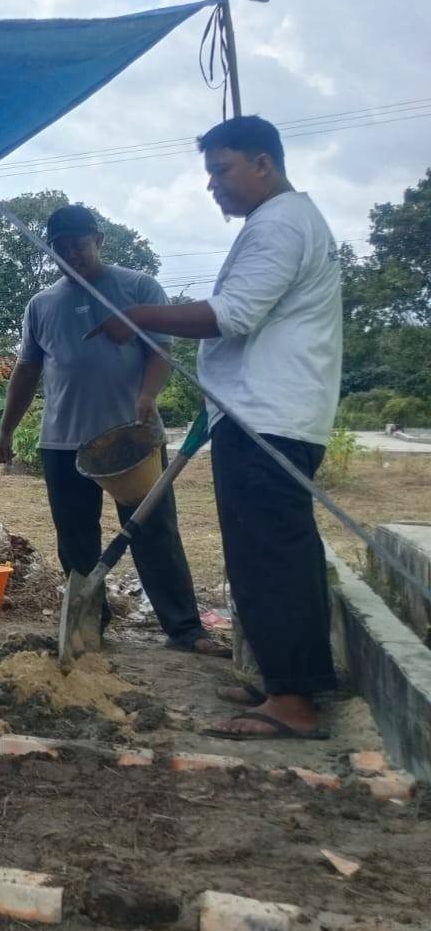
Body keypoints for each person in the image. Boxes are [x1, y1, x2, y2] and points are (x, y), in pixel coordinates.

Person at [90, 115, 342, 740]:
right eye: (209, 174)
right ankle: (288, 680)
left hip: (268, 419)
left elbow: (233, 315)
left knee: (268, 554)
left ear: (263, 162)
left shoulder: (281, 224)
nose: (213, 187)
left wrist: (138, 313)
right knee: (275, 551)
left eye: (221, 171)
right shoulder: (279, 222)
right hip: (260, 412)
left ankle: (293, 702)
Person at [0, 204, 225, 657]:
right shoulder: (41, 305)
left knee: (154, 532)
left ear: (98, 239)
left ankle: (184, 629)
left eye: (77, 245)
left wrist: (147, 395)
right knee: (75, 541)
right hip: (63, 443)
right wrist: (5, 432)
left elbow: (161, 350)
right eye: (59, 249)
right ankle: (88, 627)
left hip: (130, 439)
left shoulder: (137, 287)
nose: (69, 255)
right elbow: (26, 370)